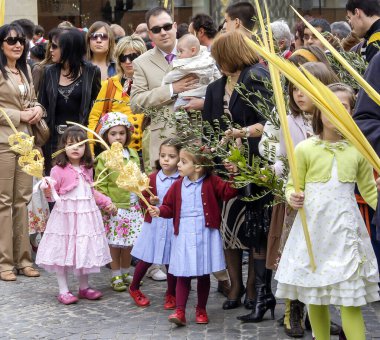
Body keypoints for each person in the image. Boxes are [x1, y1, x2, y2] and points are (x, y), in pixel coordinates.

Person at [275, 84, 379, 340]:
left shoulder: (359, 151)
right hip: (313, 233)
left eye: (343, 107)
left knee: (349, 300)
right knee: (316, 298)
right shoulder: (305, 149)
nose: (336, 112)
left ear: (351, 113)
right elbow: (291, 185)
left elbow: (369, 192)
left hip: (345, 235)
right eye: (329, 107)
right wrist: (293, 197)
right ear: (319, 112)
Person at [203, 30, 274, 321]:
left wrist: (240, 145)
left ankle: (258, 292)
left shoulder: (255, 76)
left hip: (256, 167)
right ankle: (244, 290)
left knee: (257, 231)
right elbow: (210, 128)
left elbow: (267, 122)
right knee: (236, 230)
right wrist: (222, 158)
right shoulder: (222, 85)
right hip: (232, 169)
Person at [273, 62, 339, 338]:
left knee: (323, 256)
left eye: (306, 89)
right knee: (299, 255)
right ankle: (293, 311)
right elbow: (282, 156)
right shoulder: (290, 121)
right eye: (295, 89)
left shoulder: (333, 121)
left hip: (328, 200)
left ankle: (319, 312)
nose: (299, 95)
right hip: (300, 198)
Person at [148, 147, 238, 326]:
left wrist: (234, 174)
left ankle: (201, 310)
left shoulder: (212, 182)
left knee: (203, 273)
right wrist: (159, 210)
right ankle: (180, 311)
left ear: (197, 167)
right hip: (183, 234)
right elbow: (169, 207)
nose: (178, 164)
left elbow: (229, 192)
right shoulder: (177, 185)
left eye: (183, 161)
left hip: (206, 233)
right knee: (183, 273)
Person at [36, 127, 115, 304]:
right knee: (62, 251)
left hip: (85, 218)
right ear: (64, 146)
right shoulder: (58, 169)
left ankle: (84, 287)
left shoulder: (88, 168)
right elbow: (51, 196)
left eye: (80, 145)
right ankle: (63, 290)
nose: (75, 148)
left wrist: (106, 201)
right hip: (66, 218)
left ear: (85, 148)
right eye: (71, 144)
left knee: (83, 248)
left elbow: (91, 191)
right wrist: (47, 188)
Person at [0, 23, 45, 281]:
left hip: (26, 142)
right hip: (4, 143)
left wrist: (37, 109)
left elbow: (32, 99)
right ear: (1, 44)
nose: (17, 44)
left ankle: (24, 260)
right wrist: (20, 115)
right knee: (4, 203)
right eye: (10, 40)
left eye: (20, 40)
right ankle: (5, 263)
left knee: (23, 201)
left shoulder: (26, 69)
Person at [130, 7, 198, 171]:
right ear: (150, 33)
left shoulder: (197, 52)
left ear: (175, 26)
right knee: (165, 194)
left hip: (196, 135)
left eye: (167, 27)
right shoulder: (141, 63)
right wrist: (171, 89)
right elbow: (136, 103)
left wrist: (202, 102)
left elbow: (214, 89)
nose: (163, 32)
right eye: (156, 29)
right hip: (163, 142)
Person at [39, 28, 101, 174]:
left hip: (81, 141)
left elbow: (97, 108)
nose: (50, 50)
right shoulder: (48, 72)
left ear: (68, 48)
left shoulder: (91, 72)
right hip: (53, 140)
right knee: (54, 184)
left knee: (80, 183)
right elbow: (42, 106)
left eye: (54, 46)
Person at [94, 112, 143, 292]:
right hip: (114, 207)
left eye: (121, 133)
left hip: (132, 205)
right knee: (115, 243)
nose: (118, 137)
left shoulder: (132, 154)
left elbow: (138, 176)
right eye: (113, 134)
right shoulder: (104, 157)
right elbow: (101, 184)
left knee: (128, 242)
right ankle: (115, 274)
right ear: (106, 135)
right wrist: (107, 204)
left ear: (127, 135)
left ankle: (125, 271)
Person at [129, 138, 181, 308]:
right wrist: (150, 201)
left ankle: (171, 292)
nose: (166, 159)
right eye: (163, 155)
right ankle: (134, 287)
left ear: (180, 158)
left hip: (172, 226)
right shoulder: (152, 178)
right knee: (146, 257)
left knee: (170, 259)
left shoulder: (181, 179)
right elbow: (141, 200)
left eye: (171, 156)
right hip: (154, 225)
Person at [88, 35, 146, 154]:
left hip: (146, 152)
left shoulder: (151, 83)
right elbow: (94, 118)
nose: (128, 62)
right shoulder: (110, 84)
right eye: (123, 58)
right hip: (117, 154)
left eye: (133, 57)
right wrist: (91, 149)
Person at [162, 34, 221, 110]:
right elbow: (217, 76)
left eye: (181, 51)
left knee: (178, 109)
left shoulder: (184, 66)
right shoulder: (208, 59)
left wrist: (166, 82)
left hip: (187, 96)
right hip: (205, 93)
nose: (178, 55)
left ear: (193, 50)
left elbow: (172, 76)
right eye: (177, 52)